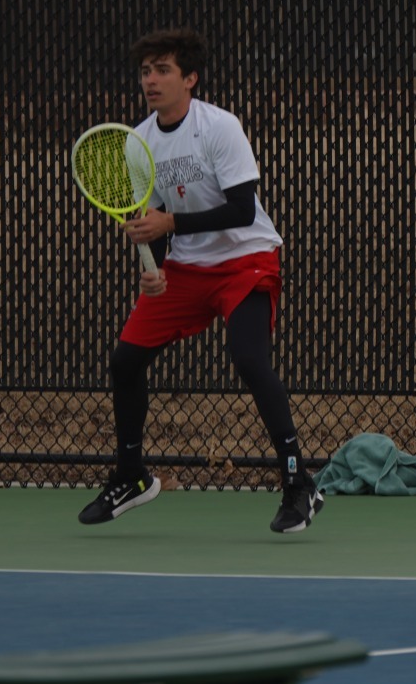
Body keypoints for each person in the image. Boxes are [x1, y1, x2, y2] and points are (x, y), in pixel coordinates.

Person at [79, 28, 322, 535]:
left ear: (190, 79)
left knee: (250, 359)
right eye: (146, 70)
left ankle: (299, 482)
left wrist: (170, 226)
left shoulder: (220, 127)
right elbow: (155, 218)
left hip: (245, 257)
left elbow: (240, 207)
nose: (151, 79)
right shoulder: (138, 141)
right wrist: (155, 267)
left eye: (163, 69)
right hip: (188, 267)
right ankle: (131, 476)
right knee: (125, 360)